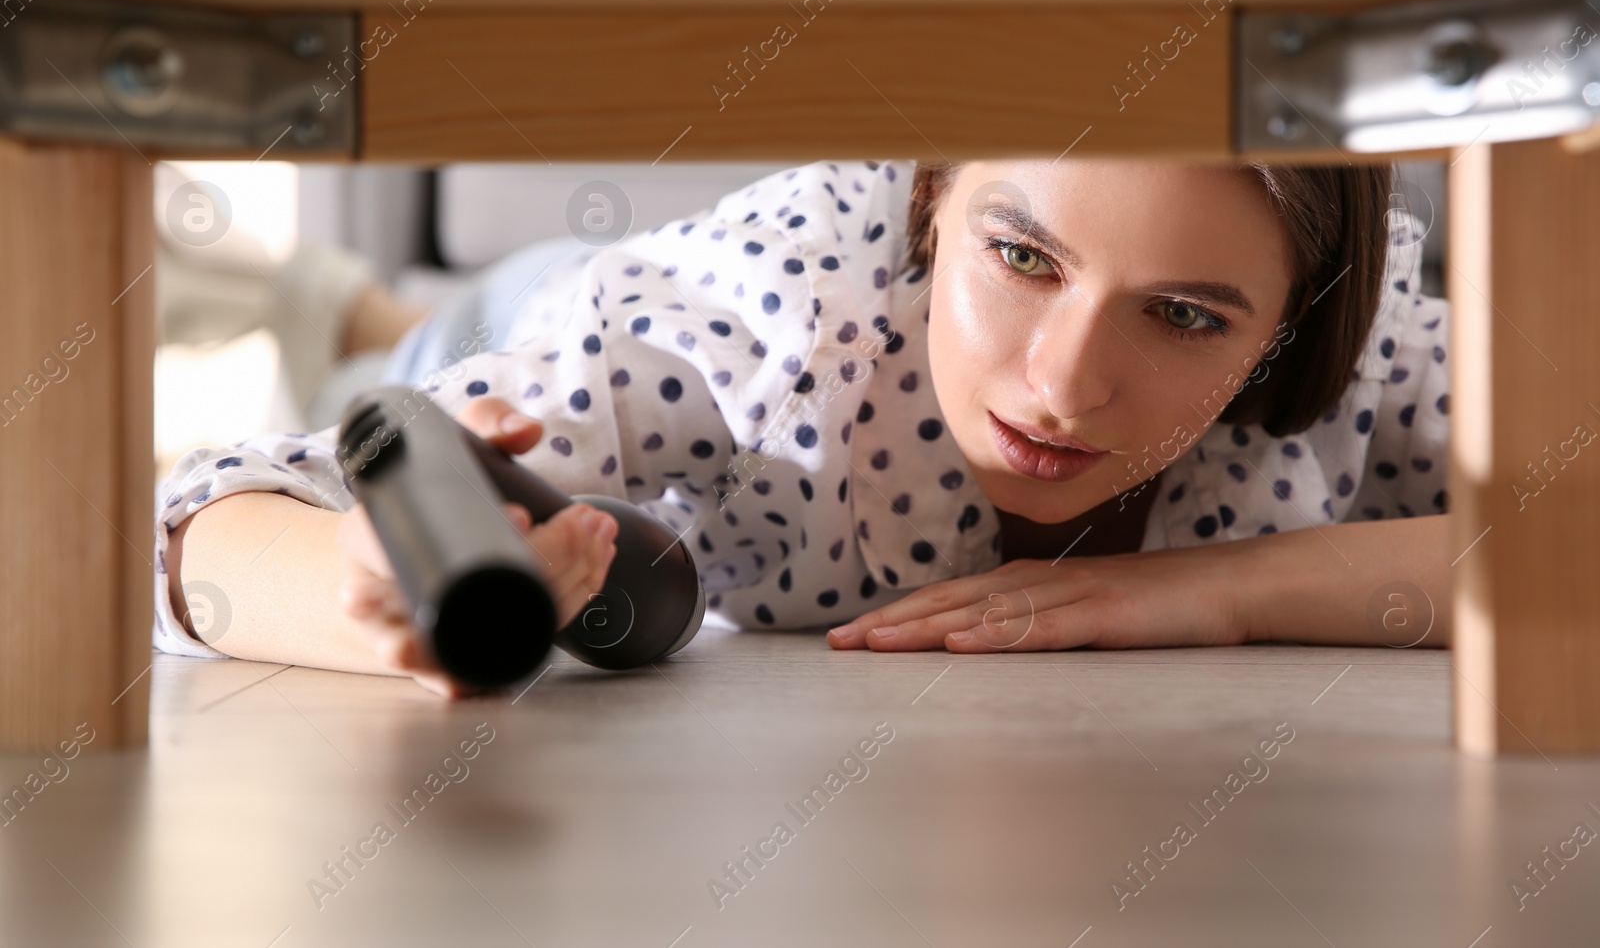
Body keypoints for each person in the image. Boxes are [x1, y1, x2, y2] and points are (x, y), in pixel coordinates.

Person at [157, 159, 1450, 698]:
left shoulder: (1369, 330)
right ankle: (348, 308)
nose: (1062, 388)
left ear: (1291, 324)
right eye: (1019, 256)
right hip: (554, 321)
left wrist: (1222, 590)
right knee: (423, 349)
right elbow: (192, 533)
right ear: (934, 199)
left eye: (1180, 315)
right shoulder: (758, 318)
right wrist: (356, 591)